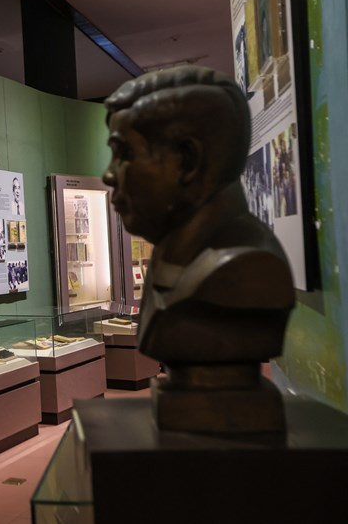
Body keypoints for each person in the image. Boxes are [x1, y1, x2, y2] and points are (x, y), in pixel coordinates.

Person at [102, 65, 295, 432]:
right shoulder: (173, 260)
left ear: (187, 161)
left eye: (123, 153)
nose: (109, 174)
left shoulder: (249, 268)